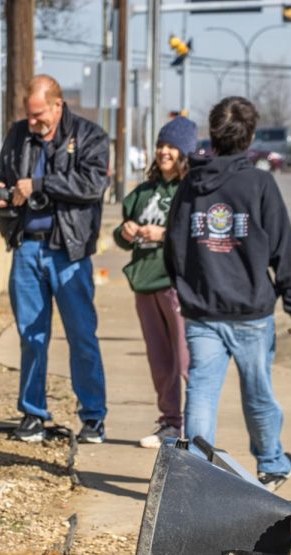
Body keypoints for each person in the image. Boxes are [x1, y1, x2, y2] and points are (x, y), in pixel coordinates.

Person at [163, 96, 291, 490]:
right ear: (250, 137)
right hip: (250, 313)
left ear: (213, 135)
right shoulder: (259, 183)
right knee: (257, 391)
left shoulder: (191, 184)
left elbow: (174, 242)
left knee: (202, 395)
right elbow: (284, 247)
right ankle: (272, 464)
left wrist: (183, 287)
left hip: (202, 311)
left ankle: (194, 472)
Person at [0, 74, 110, 445]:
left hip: (69, 251)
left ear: (58, 105)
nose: (33, 122)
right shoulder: (18, 134)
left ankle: (93, 417)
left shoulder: (90, 136)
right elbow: (2, 174)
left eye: (39, 114)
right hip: (27, 245)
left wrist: (39, 186)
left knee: (81, 335)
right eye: (29, 115)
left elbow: (92, 186)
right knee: (31, 335)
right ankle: (32, 414)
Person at [112, 116, 197, 449]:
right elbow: (121, 238)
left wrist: (167, 234)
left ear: (186, 152)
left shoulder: (192, 191)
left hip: (176, 283)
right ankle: (170, 425)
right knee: (160, 361)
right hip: (145, 283)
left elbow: (197, 236)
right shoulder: (142, 193)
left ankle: (197, 428)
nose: (164, 151)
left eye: (172, 146)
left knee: (186, 360)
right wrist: (125, 233)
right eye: (161, 145)